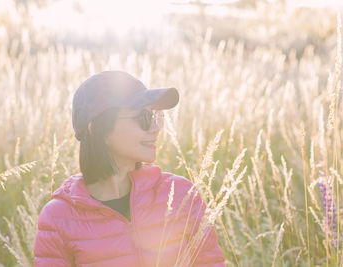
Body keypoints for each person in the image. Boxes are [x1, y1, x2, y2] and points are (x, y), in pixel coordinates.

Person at [33, 71, 225, 267]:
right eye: (144, 117)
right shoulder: (59, 218)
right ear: (97, 127)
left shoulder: (182, 195)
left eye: (156, 116)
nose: (155, 128)